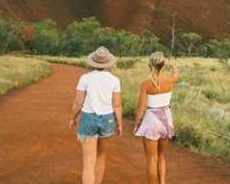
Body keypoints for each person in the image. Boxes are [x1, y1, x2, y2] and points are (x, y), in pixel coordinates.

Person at [69, 46, 123, 184]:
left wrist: (73, 118)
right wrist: (119, 124)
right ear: (108, 62)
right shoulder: (114, 80)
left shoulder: (85, 78)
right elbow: (116, 105)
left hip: (88, 118)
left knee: (88, 162)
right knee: (101, 156)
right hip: (107, 119)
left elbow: (78, 102)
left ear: (93, 61)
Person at [134, 52, 180, 184]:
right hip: (166, 120)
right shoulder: (171, 79)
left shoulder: (146, 83)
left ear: (150, 65)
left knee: (151, 160)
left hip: (152, 122)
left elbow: (141, 106)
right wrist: (175, 69)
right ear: (163, 64)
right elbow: (177, 74)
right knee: (162, 156)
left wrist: (137, 124)